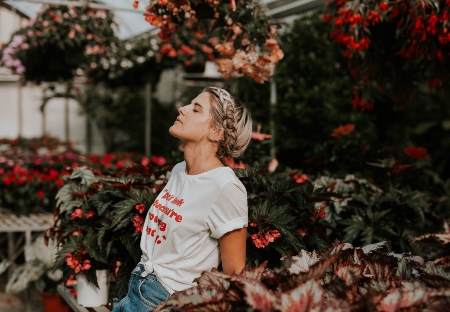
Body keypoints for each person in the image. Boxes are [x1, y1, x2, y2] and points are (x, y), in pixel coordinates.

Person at [113, 87, 253, 312]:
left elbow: (234, 276)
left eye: (196, 109)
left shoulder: (225, 187)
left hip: (168, 300)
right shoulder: (179, 171)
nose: (182, 109)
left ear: (216, 132)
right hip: (137, 288)